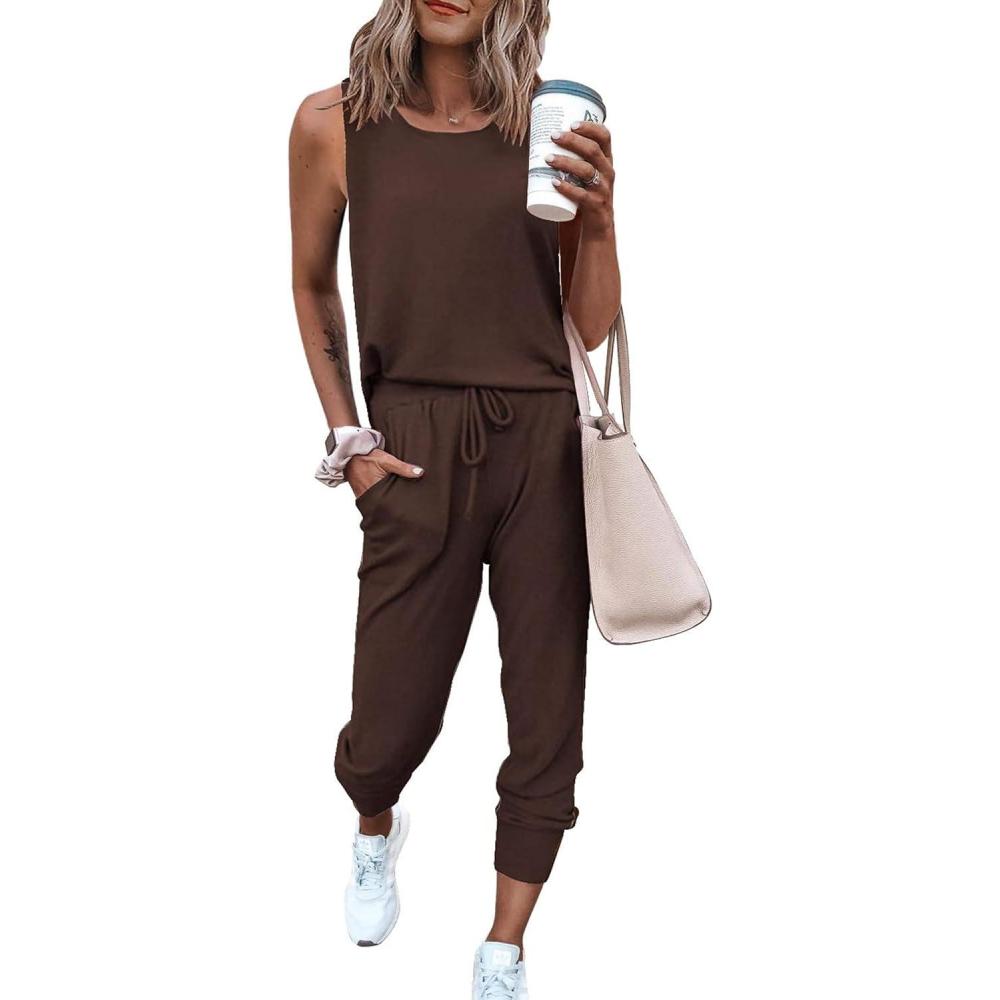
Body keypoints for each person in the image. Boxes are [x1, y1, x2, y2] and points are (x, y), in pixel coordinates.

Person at [288, 1, 620, 994]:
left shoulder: (556, 119)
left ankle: (503, 946)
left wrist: (601, 218)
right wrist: (348, 439)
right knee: (387, 718)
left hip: (543, 445)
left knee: (548, 718)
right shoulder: (331, 122)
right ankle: (375, 822)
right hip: (412, 444)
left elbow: (588, 329)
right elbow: (311, 283)